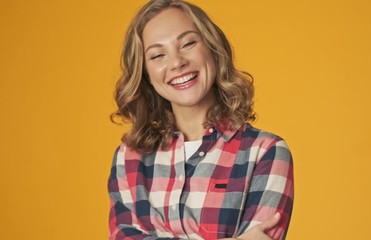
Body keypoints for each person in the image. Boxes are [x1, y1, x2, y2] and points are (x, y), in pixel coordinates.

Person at [108, 0, 294, 239]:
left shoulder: (266, 153)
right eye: (157, 55)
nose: (176, 63)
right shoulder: (129, 158)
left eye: (187, 43)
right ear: (145, 74)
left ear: (212, 49)